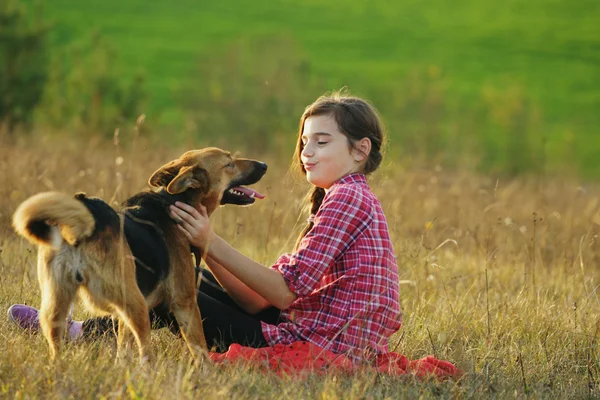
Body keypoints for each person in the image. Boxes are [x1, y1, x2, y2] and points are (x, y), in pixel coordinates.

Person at [8, 91, 402, 362]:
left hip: (317, 343)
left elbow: (283, 295)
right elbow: (258, 302)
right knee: (188, 281)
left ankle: (79, 332)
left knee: (169, 293)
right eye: (303, 142)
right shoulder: (347, 195)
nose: (306, 153)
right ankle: (89, 327)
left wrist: (209, 242)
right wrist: (199, 249)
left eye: (321, 142)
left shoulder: (348, 198)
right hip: (309, 325)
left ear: (360, 149)